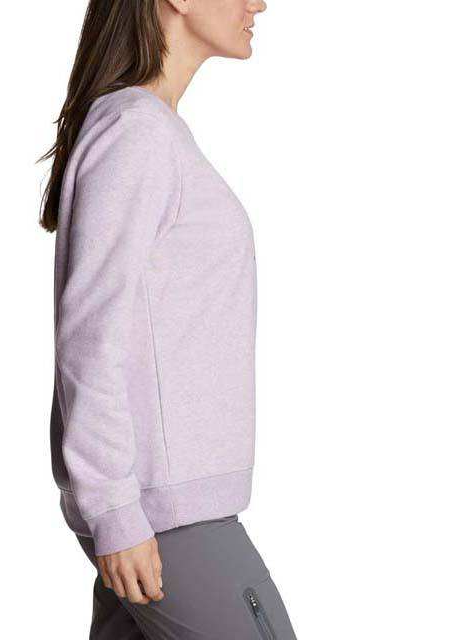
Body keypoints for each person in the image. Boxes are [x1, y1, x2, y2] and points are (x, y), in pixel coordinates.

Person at [41, 1, 297, 638]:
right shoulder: (136, 134)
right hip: (166, 515)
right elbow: (89, 339)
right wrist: (114, 509)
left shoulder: (150, 131)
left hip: (161, 508)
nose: (259, 3)